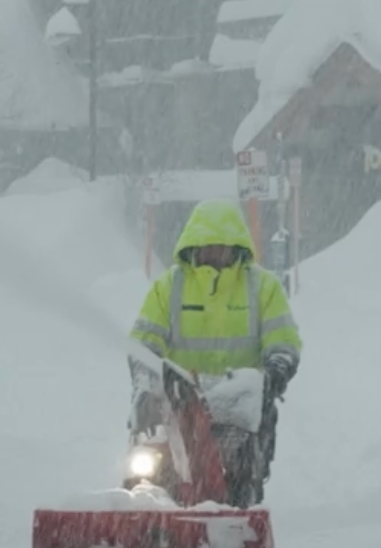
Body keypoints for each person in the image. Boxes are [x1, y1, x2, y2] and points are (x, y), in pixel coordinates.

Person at [128, 198, 301, 499]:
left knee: (236, 485)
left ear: (235, 247)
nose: (212, 253)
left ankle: (234, 520)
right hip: (178, 405)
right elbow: (144, 340)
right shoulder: (169, 286)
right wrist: (145, 387)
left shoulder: (263, 287)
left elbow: (282, 341)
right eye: (205, 245)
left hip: (237, 409)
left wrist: (273, 375)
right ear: (192, 244)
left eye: (220, 246)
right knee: (148, 477)